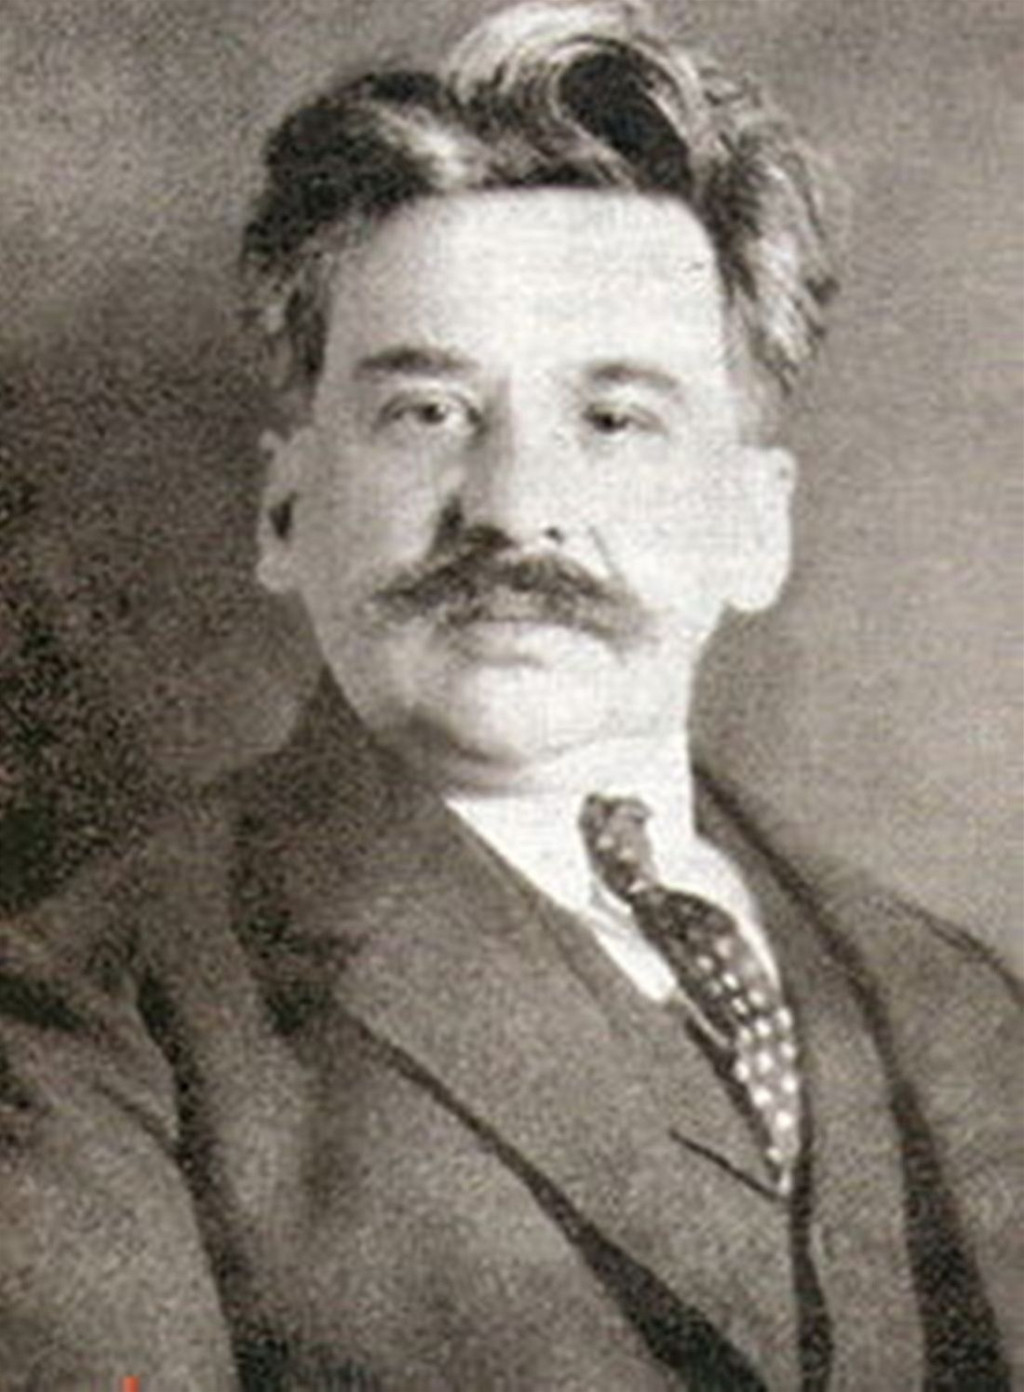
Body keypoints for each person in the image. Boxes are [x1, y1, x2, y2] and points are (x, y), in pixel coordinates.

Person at [1, 2, 1019, 1387]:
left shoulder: (960, 1006)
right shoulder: (91, 1015)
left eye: (615, 419)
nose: (516, 505)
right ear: (286, 511)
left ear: (754, 524)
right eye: (428, 412)